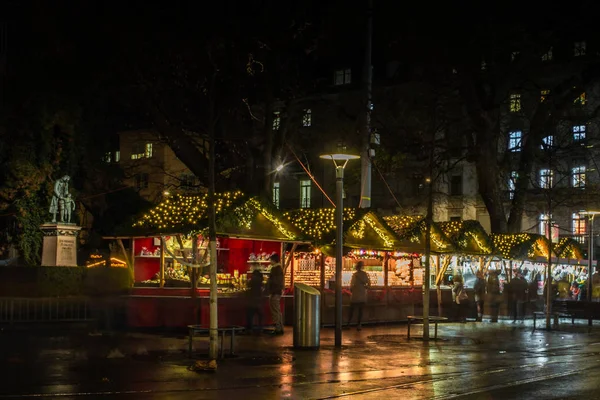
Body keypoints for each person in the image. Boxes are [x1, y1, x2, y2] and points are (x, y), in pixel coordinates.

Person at [347, 261, 371, 331]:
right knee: (360, 311)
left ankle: (348, 323)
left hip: (355, 295)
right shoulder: (365, 274)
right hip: (362, 295)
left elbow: (351, 285)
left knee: (352, 310)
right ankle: (359, 325)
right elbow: (369, 284)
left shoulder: (355, 275)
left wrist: (351, 290)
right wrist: (365, 287)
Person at [266, 253, 284, 335]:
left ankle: (278, 328)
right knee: (277, 310)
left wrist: (271, 290)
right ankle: (280, 327)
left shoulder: (275, 269)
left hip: (275, 292)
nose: (270, 261)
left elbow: (274, 281)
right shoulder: (279, 268)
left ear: (273, 260)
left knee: (275, 310)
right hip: (277, 292)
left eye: (271, 260)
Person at [246, 269, 264, 334]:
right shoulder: (261, 280)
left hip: (252, 299)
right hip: (259, 299)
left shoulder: (253, 279)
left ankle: (250, 328)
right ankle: (260, 328)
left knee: (250, 315)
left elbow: (248, 285)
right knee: (260, 315)